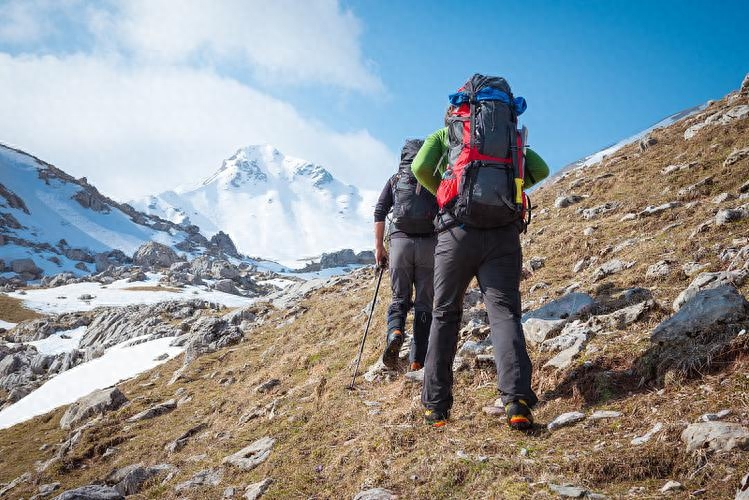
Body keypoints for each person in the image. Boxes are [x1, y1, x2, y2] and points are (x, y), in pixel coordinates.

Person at [411, 74, 549, 430]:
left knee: (445, 314)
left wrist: (447, 193)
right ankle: (516, 401)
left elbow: (419, 168)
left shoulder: (447, 134)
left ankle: (436, 408)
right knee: (503, 314)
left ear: (461, 107)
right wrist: (509, 193)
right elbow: (540, 169)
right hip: (503, 234)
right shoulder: (510, 136)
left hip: (456, 233)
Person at [373, 139, 439, 371]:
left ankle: (396, 332)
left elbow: (379, 212)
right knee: (424, 304)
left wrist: (379, 248)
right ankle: (416, 360)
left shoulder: (395, 180)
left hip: (400, 243)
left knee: (399, 297)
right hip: (429, 247)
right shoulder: (434, 178)